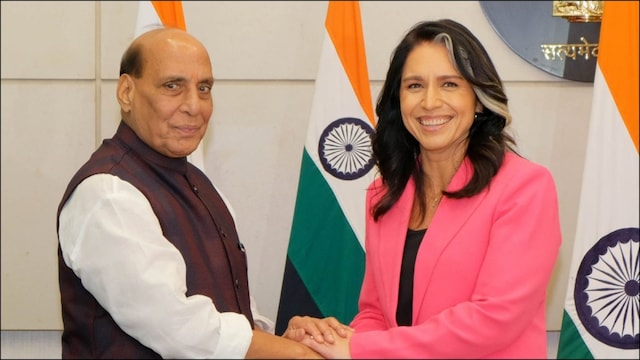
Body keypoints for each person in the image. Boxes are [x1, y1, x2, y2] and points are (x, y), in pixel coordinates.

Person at [283, 19, 562, 359]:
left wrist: (356, 348)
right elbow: (375, 313)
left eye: (449, 84)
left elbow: (494, 320)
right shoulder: (383, 194)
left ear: (478, 99)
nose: (430, 102)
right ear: (398, 100)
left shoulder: (525, 188)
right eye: (414, 86)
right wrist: (328, 339)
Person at [56, 27, 322, 359]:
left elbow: (230, 316)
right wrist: (295, 355)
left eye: (204, 88)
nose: (194, 106)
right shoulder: (107, 193)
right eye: (173, 86)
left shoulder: (199, 183)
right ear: (126, 92)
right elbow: (179, 330)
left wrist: (284, 337)